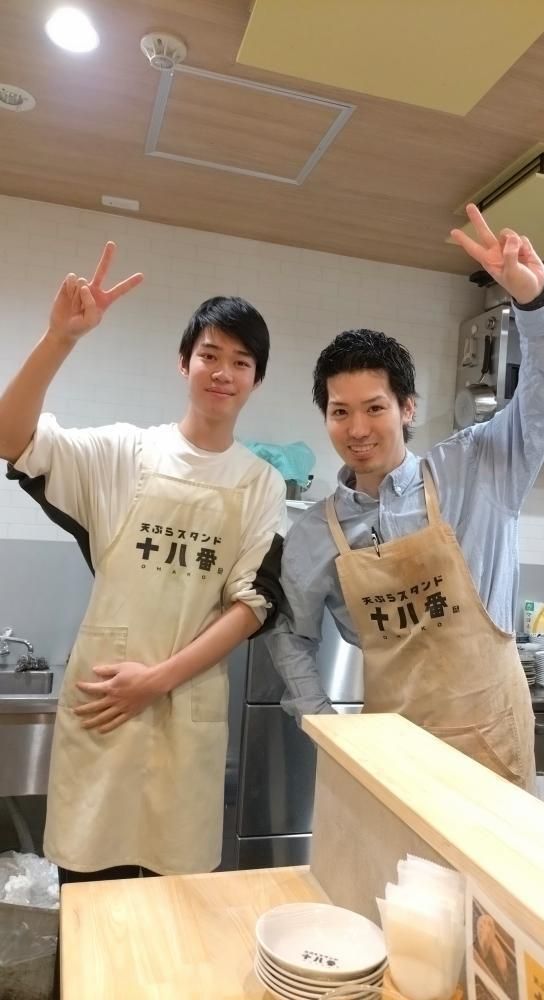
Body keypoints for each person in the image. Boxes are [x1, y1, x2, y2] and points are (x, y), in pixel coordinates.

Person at [0, 242, 286, 882]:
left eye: (241, 362)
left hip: (184, 717)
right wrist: (59, 338)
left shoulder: (260, 483)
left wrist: (155, 681)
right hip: (103, 711)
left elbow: (253, 605)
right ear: (183, 363)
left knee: (172, 906)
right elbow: (10, 436)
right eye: (210, 355)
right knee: (91, 897)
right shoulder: (125, 454)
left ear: (256, 380)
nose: (223, 372)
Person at [268, 204, 544, 792]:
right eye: (340, 412)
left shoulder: (478, 467)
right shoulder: (315, 532)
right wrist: (323, 722)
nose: (358, 429)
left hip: (492, 742)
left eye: (375, 408)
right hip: (391, 756)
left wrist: (535, 306)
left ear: (407, 408)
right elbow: (290, 633)